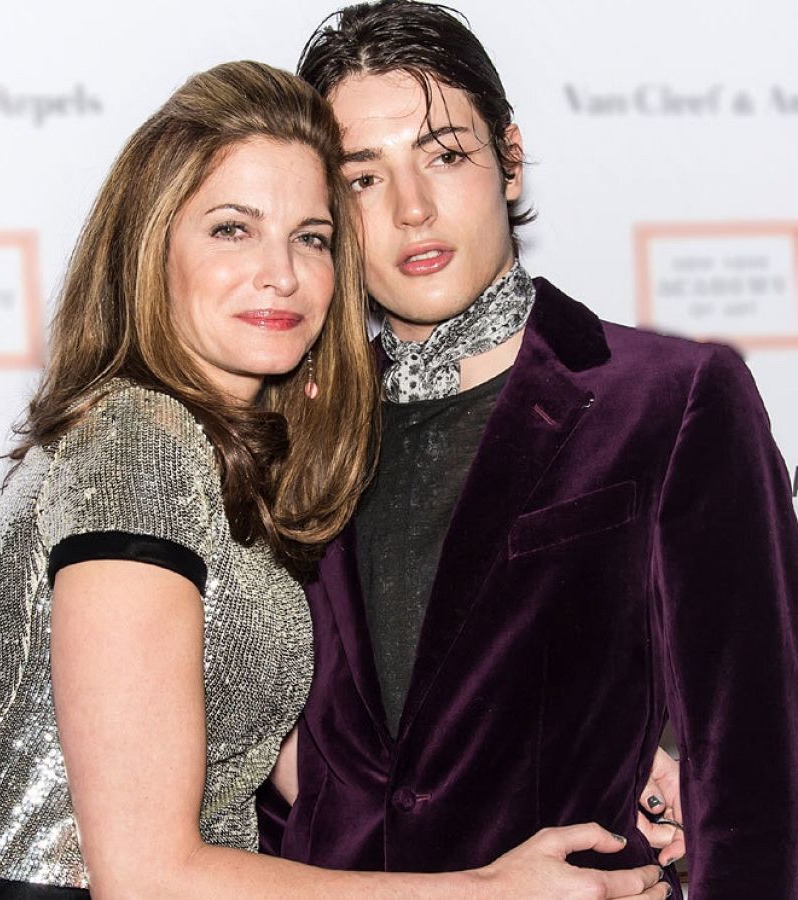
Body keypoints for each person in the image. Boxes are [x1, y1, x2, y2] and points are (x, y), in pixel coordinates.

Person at [0, 61, 671, 900]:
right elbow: (145, 875)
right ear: (150, 242)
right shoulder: (140, 442)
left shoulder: (227, 456)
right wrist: (489, 894)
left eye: (312, 237)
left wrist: (642, 758)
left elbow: (344, 779)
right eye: (233, 229)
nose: (281, 272)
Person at [257, 3, 798, 898]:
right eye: (363, 177)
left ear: (509, 160)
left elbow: (753, 766)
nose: (413, 208)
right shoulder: (292, 430)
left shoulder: (669, 398)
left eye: (445, 154)